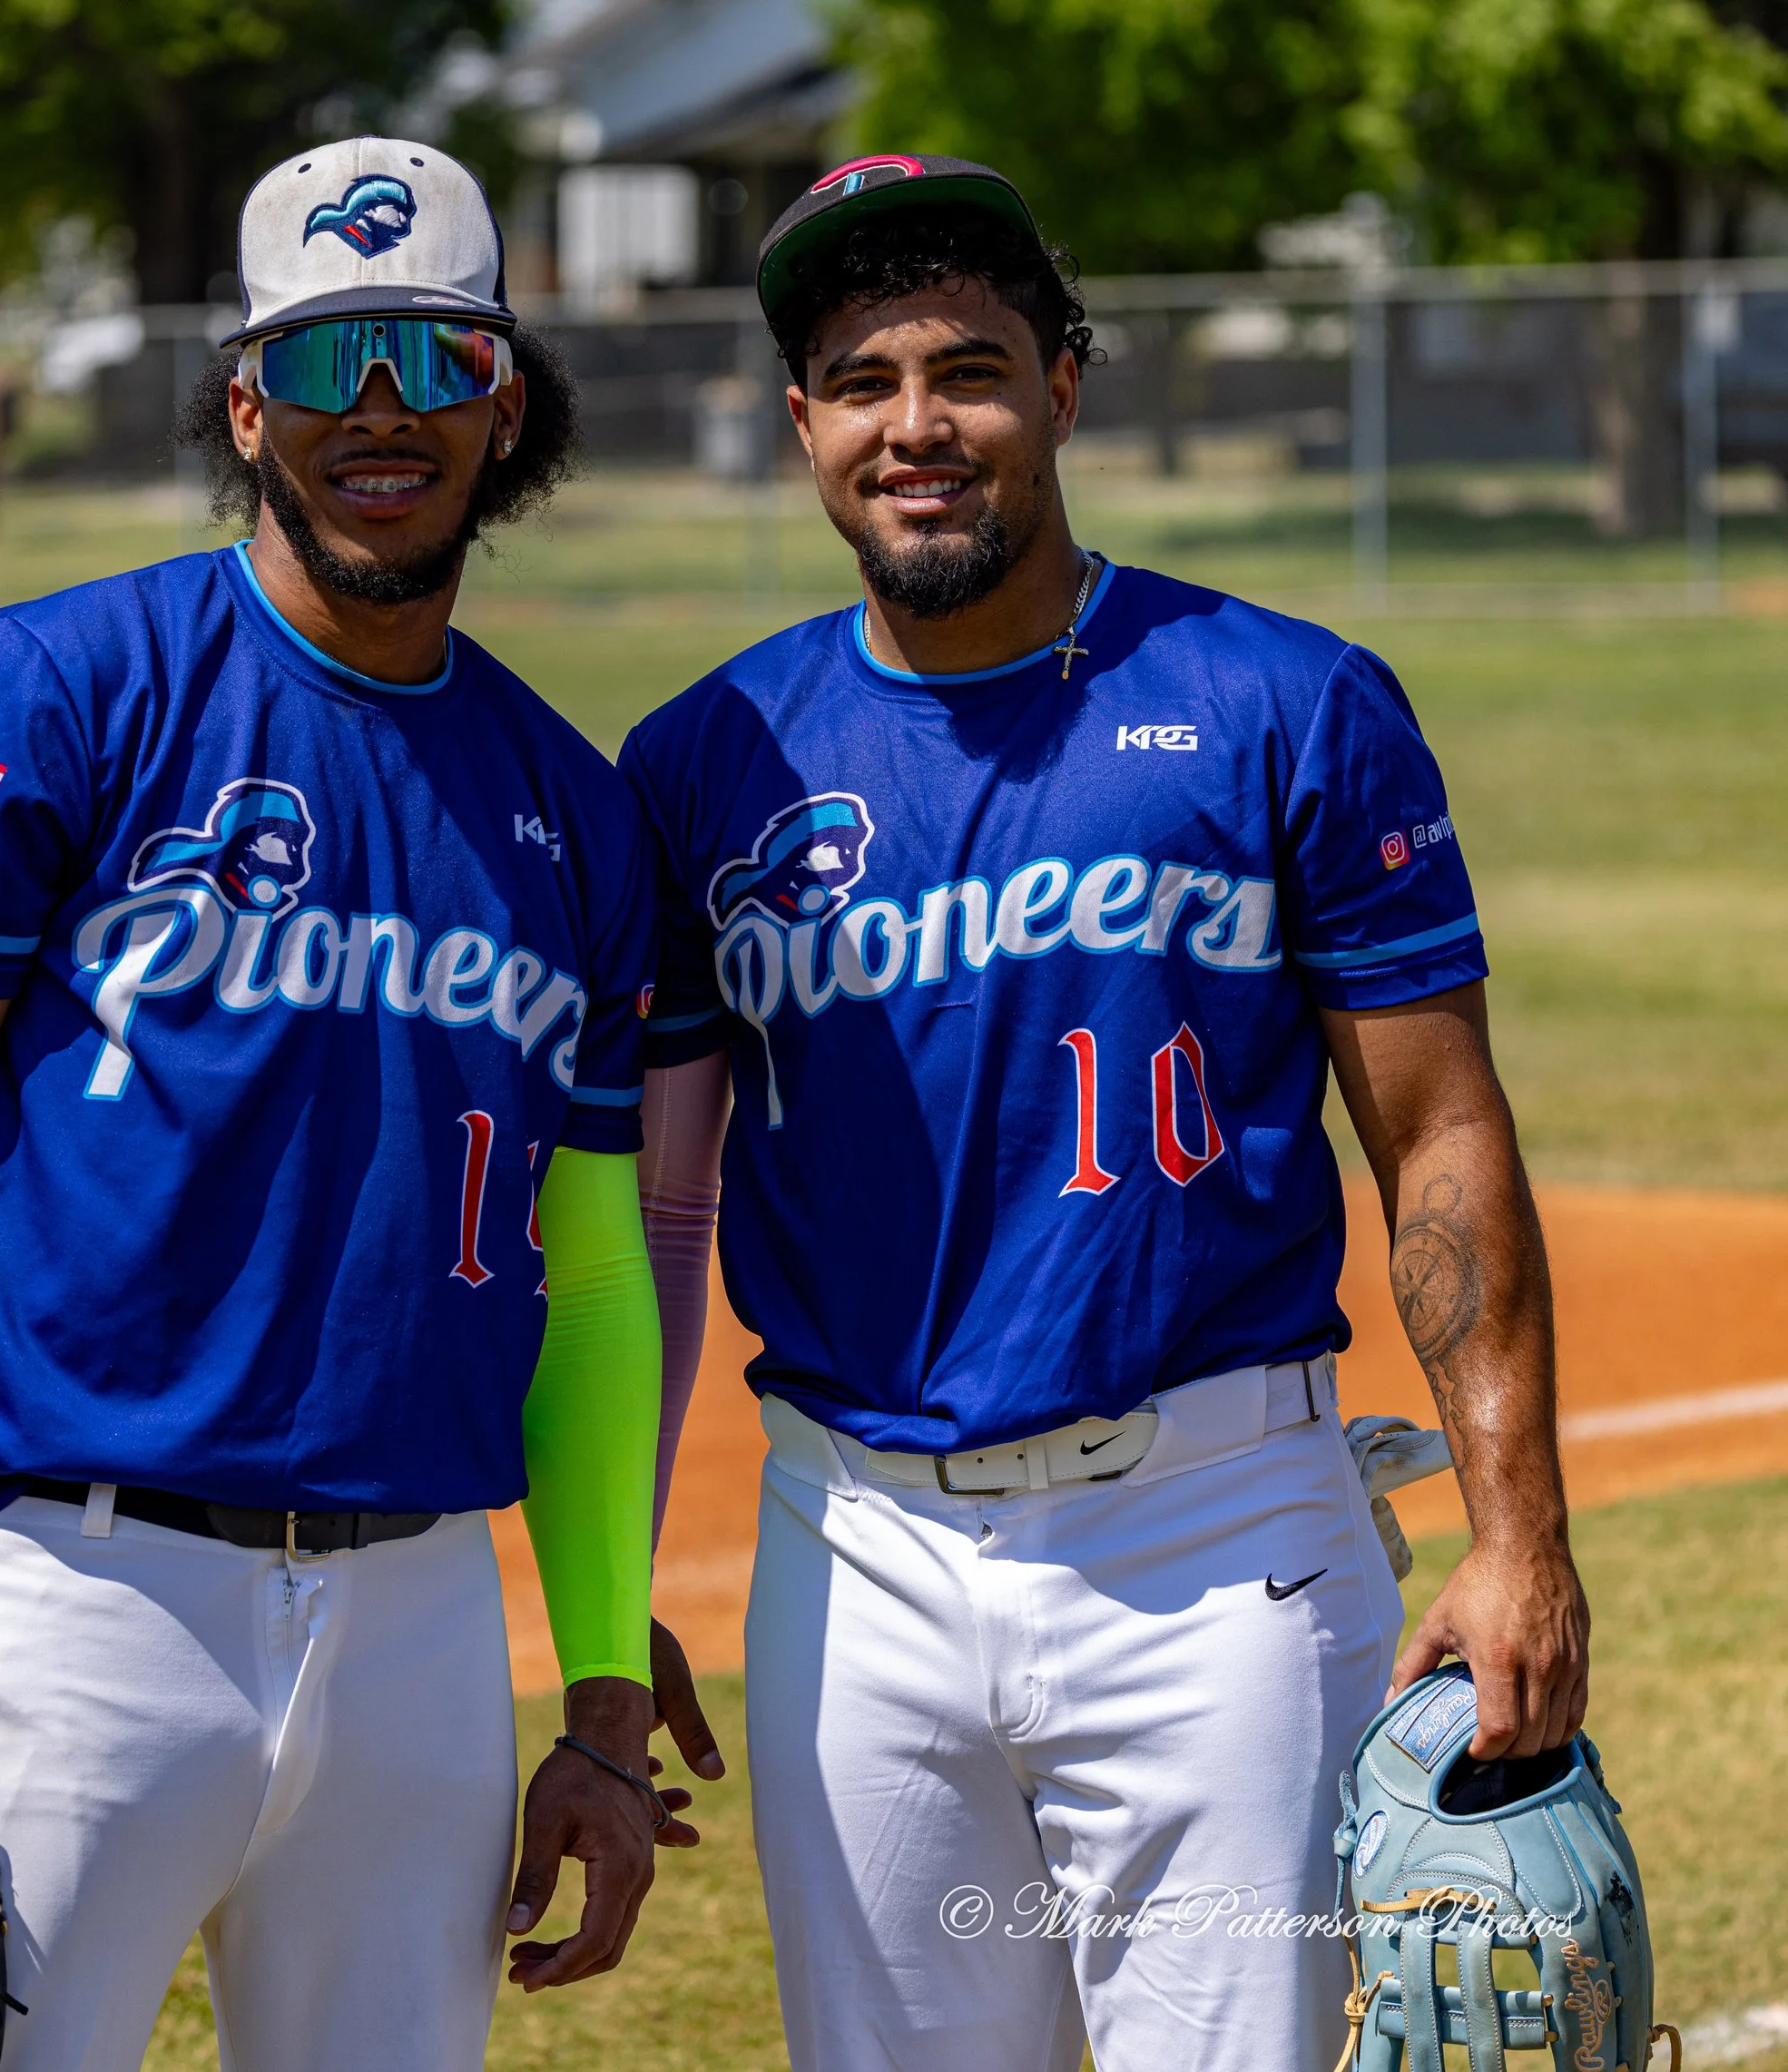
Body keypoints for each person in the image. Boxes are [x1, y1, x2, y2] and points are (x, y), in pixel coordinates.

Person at [0, 137, 692, 2072]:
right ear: (245, 400)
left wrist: (594, 1682)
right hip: (83, 1599)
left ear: (504, 401)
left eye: (433, 360)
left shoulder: (574, 809)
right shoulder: (50, 688)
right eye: (329, 363)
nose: (381, 414)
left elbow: (586, 1276)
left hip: (420, 1621)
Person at [623, 155, 1588, 2072]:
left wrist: (1517, 1533)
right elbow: (659, 1215)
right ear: (799, 419)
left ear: (1062, 385)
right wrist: (603, 1586)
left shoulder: (1280, 701)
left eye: (968, 369)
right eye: (861, 376)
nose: (918, 425)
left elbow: (1434, 1135)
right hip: (856, 1556)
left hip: (1216, 1541)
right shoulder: (703, 759)